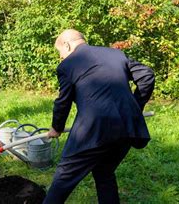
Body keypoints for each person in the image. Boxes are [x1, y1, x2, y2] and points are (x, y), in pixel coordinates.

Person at [43, 29, 155, 203]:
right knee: (104, 172)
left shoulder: (67, 65)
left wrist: (56, 128)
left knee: (64, 177)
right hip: (127, 129)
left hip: (94, 130)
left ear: (67, 45)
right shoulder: (115, 54)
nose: (61, 58)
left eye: (60, 53)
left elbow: (62, 101)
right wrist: (134, 108)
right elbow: (147, 75)